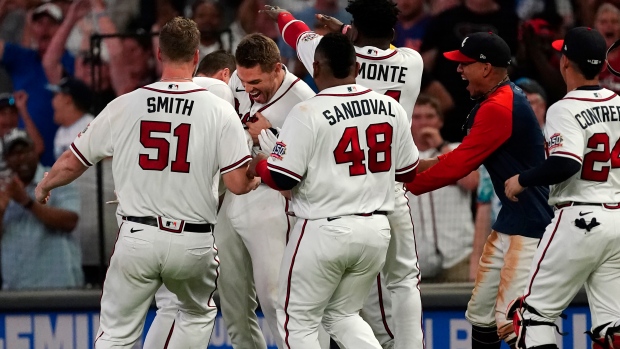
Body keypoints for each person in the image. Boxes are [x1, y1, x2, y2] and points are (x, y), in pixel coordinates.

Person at [34, 17, 260, 348]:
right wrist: (255, 181)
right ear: (196, 57)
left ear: (158, 54)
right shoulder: (218, 110)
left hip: (137, 236)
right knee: (195, 315)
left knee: (116, 334)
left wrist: (44, 187)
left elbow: (72, 161)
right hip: (192, 241)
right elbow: (238, 183)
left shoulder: (125, 104)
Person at [264, 0, 425, 347]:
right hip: (387, 191)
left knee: (302, 318)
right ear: (393, 31)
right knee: (403, 281)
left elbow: (297, 35)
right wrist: (348, 31)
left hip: (332, 201)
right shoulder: (413, 62)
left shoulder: (326, 65)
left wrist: (283, 16)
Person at [405, 32, 553, 349]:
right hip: (511, 222)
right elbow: (460, 156)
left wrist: (407, 182)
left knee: (514, 323)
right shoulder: (500, 100)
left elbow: (460, 166)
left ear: (486, 68)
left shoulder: (500, 106)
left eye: (464, 64)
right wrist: (412, 168)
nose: (458, 70)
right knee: (482, 315)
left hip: (529, 227)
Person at [505, 27, 620, 349]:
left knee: (533, 316)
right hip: (618, 218)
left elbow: (566, 163)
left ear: (565, 62)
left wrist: (522, 179)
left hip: (580, 216)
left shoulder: (564, 108)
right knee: (613, 326)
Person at [217, 33, 315, 349]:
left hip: (274, 201)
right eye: (243, 81)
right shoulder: (236, 79)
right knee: (231, 301)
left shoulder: (302, 99)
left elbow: (302, 171)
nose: (248, 88)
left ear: (276, 68)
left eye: (255, 80)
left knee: (275, 299)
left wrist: (269, 136)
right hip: (234, 196)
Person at [141, 47, 239, 349]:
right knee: (187, 309)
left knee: (165, 308)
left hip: (143, 211)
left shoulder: (152, 94)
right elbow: (228, 167)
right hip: (183, 219)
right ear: (225, 74)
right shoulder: (218, 89)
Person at [407, 94, 478, 282]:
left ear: (440, 121)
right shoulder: (400, 160)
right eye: (417, 117)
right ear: (408, 121)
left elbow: (472, 182)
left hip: (458, 256)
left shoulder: (457, 150)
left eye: (430, 116)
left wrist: (440, 145)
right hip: (413, 262)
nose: (424, 122)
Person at [1, 128, 83, 290]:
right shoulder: (3, 188)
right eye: (15, 154)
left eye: (26, 151)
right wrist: (1, 209)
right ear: (6, 159)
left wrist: (26, 201)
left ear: (35, 152)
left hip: (58, 287)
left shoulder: (57, 179)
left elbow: (70, 221)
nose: (22, 158)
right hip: (14, 290)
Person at [0, 2, 75, 166]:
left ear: (63, 30)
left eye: (51, 23)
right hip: (23, 163)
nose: (44, 28)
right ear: (32, 28)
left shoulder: (74, 63)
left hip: (65, 164)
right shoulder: (23, 58)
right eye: (39, 23)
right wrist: (4, 7)